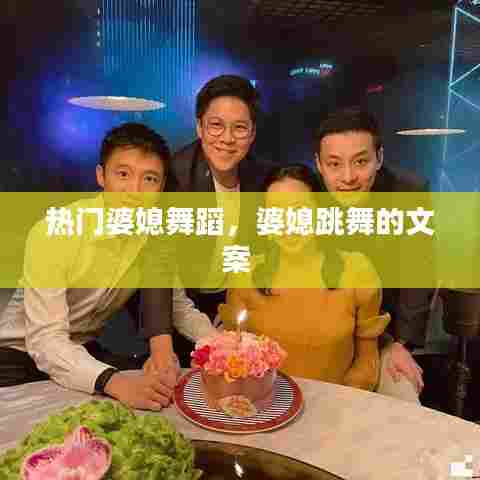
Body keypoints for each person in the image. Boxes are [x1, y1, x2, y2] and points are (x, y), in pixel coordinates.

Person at [0, 123, 215, 410]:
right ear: (101, 176)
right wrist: (116, 383)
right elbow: (46, 340)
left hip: (83, 351)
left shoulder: (153, 238)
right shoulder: (56, 231)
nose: (135, 191)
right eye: (123, 174)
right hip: (18, 355)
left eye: (149, 179)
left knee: (159, 396)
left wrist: (225, 346)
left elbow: (178, 308)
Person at [219, 164, 416, 399]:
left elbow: (366, 360)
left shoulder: (357, 270)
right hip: (266, 404)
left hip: (337, 404)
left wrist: (340, 403)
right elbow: (233, 353)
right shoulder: (244, 272)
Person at [141, 74, 273, 366]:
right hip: (177, 302)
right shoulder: (173, 178)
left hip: (231, 300)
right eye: (216, 125)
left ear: (252, 133)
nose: (227, 138)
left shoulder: (262, 178)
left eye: (239, 128)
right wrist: (160, 343)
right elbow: (157, 262)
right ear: (199, 126)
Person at [313, 107, 435, 397]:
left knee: (403, 393)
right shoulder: (305, 194)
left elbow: (417, 272)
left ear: (379, 157)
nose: (348, 177)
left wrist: (401, 344)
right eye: (334, 164)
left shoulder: (408, 193)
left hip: (383, 332)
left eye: (360, 162)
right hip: (319, 324)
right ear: (318, 164)